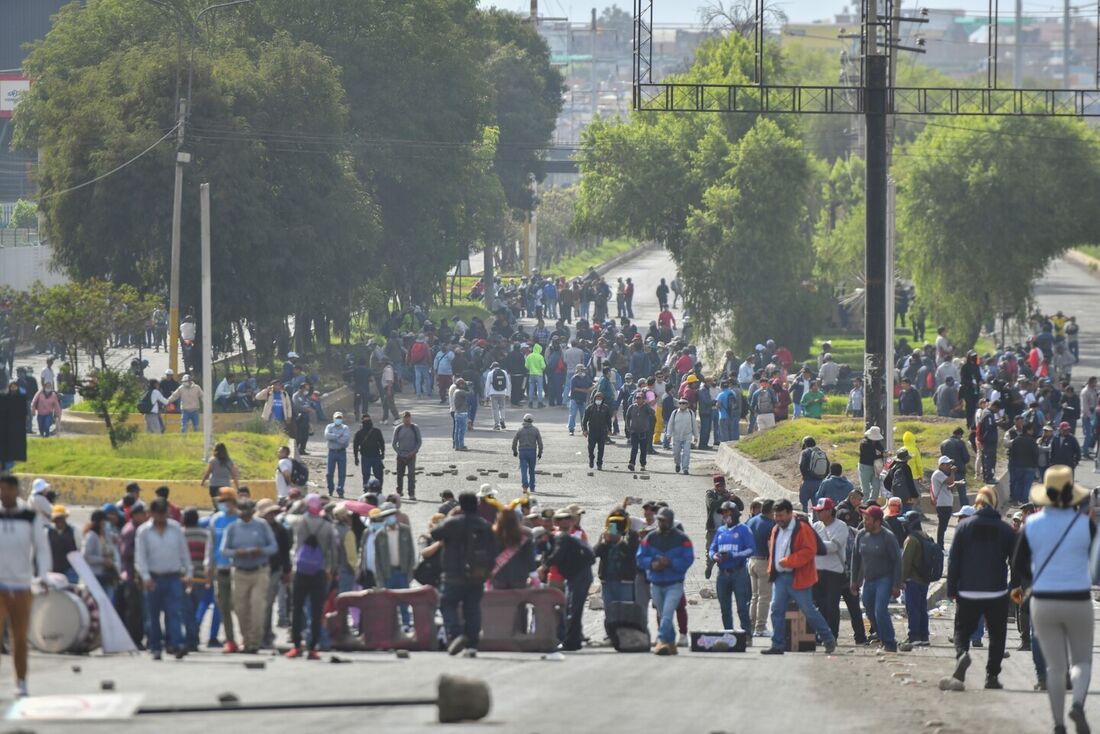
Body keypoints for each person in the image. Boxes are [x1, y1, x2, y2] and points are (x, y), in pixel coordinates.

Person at [1014, 466, 1093, 734]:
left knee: (1055, 667)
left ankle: (1058, 724)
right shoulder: (1086, 525)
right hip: (1079, 598)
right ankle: (1079, 704)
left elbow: (1019, 565)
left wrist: (1038, 577)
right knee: (1081, 661)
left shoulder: (1031, 525)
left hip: (1044, 599)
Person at [945, 487, 1016, 690]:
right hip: (996, 591)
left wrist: (952, 589)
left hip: (967, 590)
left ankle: (962, 655)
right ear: (994, 503)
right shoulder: (1005, 529)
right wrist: (1015, 588)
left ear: (977, 503)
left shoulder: (964, 526)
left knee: (962, 630)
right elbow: (1015, 561)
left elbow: (954, 561)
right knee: (996, 635)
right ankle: (991, 677)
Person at [761, 499, 836, 655]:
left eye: (781, 515)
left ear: (789, 513)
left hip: (798, 576)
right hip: (781, 578)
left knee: (808, 610)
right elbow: (774, 552)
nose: (778, 519)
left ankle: (828, 639)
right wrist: (772, 570)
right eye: (776, 516)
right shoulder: (777, 529)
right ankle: (777, 645)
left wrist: (789, 562)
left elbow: (809, 551)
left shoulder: (802, 529)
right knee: (776, 610)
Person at [0, 476, 52, 697]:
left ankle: (21, 681)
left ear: (17, 491)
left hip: (21, 584)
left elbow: (41, 548)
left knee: (19, 637)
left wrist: (43, 576)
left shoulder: (29, 517)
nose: (5, 493)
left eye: (9, 489)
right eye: (1, 489)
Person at [430, 492, 496, 657]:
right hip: (477, 575)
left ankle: (456, 634)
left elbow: (435, 534)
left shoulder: (453, 523)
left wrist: (451, 516)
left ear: (460, 505)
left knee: (447, 604)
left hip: (454, 574)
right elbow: (495, 549)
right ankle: (472, 644)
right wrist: (487, 571)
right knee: (472, 609)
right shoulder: (485, 525)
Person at [135, 498, 191, 660]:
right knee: (153, 615)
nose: (161, 517)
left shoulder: (175, 529)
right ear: (151, 514)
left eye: (163, 513)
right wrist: (145, 577)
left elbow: (184, 552)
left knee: (174, 612)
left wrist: (188, 572)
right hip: (153, 577)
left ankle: (175, 644)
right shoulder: (144, 532)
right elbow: (141, 557)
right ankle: (155, 646)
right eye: (158, 514)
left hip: (173, 576)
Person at [220, 499, 276, 654]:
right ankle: (246, 639)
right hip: (239, 572)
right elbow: (224, 550)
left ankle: (255, 642)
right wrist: (237, 552)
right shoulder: (232, 528)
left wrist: (261, 551)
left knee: (257, 607)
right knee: (241, 609)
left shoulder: (262, 526)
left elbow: (273, 547)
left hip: (259, 571)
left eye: (248, 514)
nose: (245, 517)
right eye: (242, 514)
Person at [636, 507, 694, 655]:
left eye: (664, 520)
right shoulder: (650, 538)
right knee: (662, 614)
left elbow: (688, 558)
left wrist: (671, 563)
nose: (661, 523)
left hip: (674, 583)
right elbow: (640, 557)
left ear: (670, 521)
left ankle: (661, 640)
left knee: (667, 614)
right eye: (659, 520)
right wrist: (652, 564)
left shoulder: (682, 539)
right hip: (655, 583)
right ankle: (670, 643)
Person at [287, 494, 336, 660]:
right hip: (319, 572)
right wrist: (330, 569)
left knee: (297, 609)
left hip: (300, 570)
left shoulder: (298, 522)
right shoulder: (328, 526)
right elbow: (333, 551)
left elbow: (293, 541)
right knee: (316, 612)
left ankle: (296, 646)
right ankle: (312, 648)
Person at [850, 504, 902, 652]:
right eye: (864, 518)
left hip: (884, 579)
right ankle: (882, 636)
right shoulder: (861, 535)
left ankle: (890, 642)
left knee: (880, 610)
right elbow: (856, 558)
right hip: (869, 580)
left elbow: (897, 561)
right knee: (869, 609)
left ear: (877, 522)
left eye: (867, 519)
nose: (864, 522)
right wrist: (854, 581)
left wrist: (897, 584)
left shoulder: (888, 537)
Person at [541, 509, 595, 651]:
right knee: (571, 609)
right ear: (556, 522)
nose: (565, 521)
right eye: (562, 519)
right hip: (577, 576)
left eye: (567, 518)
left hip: (579, 576)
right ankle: (572, 641)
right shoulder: (562, 536)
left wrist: (544, 566)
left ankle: (571, 642)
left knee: (573, 609)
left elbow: (557, 555)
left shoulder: (562, 537)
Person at [204, 488, 240, 652]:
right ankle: (230, 640)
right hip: (220, 569)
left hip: (238, 570)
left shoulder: (240, 520)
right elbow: (210, 545)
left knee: (239, 606)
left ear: (233, 502)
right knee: (223, 606)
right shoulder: (216, 520)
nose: (223, 504)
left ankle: (246, 637)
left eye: (225, 501)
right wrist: (208, 566)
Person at [710, 501, 754, 633]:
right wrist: (714, 556)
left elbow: (751, 549)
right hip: (722, 574)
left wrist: (733, 555)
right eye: (723, 513)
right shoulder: (720, 531)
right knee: (725, 608)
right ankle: (728, 634)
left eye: (727, 512)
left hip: (739, 572)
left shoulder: (744, 530)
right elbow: (712, 549)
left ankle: (746, 634)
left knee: (742, 606)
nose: (724, 516)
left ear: (735, 514)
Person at [811, 498, 848, 642]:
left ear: (829, 511)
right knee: (819, 605)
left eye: (820, 511)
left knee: (832, 606)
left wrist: (815, 545)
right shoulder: (816, 526)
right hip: (817, 570)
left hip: (834, 571)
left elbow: (834, 546)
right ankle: (820, 634)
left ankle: (832, 635)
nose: (818, 514)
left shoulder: (841, 526)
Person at [255, 499, 290, 649]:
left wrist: (286, 571)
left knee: (268, 604)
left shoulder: (281, 530)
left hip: (274, 571)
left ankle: (266, 635)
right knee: (256, 605)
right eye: (268, 513)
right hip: (255, 570)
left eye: (272, 513)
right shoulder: (255, 529)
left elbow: (285, 553)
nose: (271, 516)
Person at [594, 509, 639, 612]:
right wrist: (601, 542)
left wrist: (627, 528)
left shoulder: (630, 543)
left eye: (616, 526)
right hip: (607, 583)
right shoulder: (605, 546)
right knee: (610, 614)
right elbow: (592, 555)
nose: (612, 529)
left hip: (625, 583)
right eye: (612, 525)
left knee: (625, 613)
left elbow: (633, 550)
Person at [899, 511, 933, 649]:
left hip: (912, 579)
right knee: (922, 608)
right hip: (924, 579)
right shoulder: (927, 537)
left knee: (912, 609)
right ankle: (924, 636)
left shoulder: (911, 539)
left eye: (905, 522)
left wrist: (900, 580)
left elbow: (905, 562)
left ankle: (914, 636)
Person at [745, 499, 775, 638]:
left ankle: (751, 626)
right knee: (764, 597)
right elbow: (771, 547)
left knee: (754, 596)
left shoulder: (751, 521)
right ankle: (760, 627)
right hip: (763, 561)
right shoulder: (770, 525)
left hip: (751, 561)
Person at [929, 456, 959, 548]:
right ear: (941, 465)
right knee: (942, 526)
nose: (950, 466)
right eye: (947, 464)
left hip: (946, 503)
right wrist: (953, 472)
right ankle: (940, 545)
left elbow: (949, 486)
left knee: (944, 526)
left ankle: (940, 544)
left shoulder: (943, 474)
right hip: (942, 504)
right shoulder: (938, 474)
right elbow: (950, 481)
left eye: (950, 464)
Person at [663, 397, 698, 475]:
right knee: (676, 453)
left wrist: (696, 436)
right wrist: (668, 435)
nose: (682, 405)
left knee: (686, 453)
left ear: (687, 404)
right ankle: (678, 464)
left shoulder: (690, 413)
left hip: (687, 435)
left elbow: (694, 425)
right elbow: (670, 424)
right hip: (677, 436)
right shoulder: (675, 413)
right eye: (680, 403)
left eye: (684, 403)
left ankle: (685, 468)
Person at [200, 443, 240, 511]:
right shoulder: (229, 461)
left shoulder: (212, 460)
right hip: (226, 486)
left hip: (214, 485)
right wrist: (238, 487)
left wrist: (203, 482)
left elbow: (208, 473)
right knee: (225, 505)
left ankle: (216, 515)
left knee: (216, 505)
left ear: (215, 450)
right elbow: (234, 475)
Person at [391, 412, 422, 500]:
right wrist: (399, 453)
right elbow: (394, 443)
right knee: (399, 475)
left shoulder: (415, 428)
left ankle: (411, 493)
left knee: (411, 475)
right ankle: (399, 492)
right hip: (401, 456)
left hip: (411, 456)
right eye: (405, 418)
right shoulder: (398, 428)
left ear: (410, 418)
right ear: (402, 419)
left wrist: (413, 452)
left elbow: (419, 442)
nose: (407, 420)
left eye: (408, 418)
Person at [581, 391, 614, 470]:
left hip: (602, 432)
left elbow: (608, 420)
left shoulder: (605, 408)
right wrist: (585, 430)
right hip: (592, 432)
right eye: (597, 398)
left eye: (600, 398)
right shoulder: (590, 408)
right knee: (591, 447)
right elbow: (584, 420)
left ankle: (599, 463)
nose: (598, 400)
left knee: (601, 448)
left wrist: (609, 429)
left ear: (602, 399)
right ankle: (591, 459)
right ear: (594, 398)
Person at [47, 505, 80, 584]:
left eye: (61, 518)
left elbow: (79, 548)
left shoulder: (74, 531)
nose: (59, 521)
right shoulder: (48, 532)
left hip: (71, 570)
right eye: (56, 519)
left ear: (65, 518)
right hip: (54, 571)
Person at [511, 414, 544, 493]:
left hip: (522, 452)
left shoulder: (520, 430)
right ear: (532, 421)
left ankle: (525, 487)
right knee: (532, 470)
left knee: (524, 470)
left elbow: (514, 442)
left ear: (523, 420)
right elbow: (540, 443)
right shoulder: (535, 430)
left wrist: (514, 451)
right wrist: (540, 452)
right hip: (532, 451)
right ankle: (532, 487)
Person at [625, 391, 656, 472]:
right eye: (637, 398)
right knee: (634, 448)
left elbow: (653, 413)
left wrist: (647, 405)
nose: (638, 400)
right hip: (634, 431)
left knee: (643, 449)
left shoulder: (646, 407)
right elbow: (627, 417)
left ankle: (643, 464)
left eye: (640, 398)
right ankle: (631, 463)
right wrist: (628, 428)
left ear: (643, 399)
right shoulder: (632, 407)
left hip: (644, 432)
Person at [323, 411, 352, 498]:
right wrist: (338, 436)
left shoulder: (345, 428)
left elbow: (344, 440)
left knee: (342, 473)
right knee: (329, 473)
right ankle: (330, 489)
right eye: (337, 418)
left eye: (340, 418)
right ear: (334, 418)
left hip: (341, 452)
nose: (338, 420)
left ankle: (340, 491)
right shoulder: (329, 426)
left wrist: (334, 437)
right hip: (331, 452)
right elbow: (327, 435)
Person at [353, 416, 385, 491]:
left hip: (376, 456)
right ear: (362, 422)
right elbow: (355, 446)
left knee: (379, 475)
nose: (367, 422)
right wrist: (356, 458)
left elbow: (381, 443)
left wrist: (383, 453)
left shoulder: (377, 431)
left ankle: (379, 490)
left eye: (368, 420)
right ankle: (366, 491)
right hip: (365, 457)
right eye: (365, 420)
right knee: (365, 476)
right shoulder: (359, 433)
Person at [798, 436, 826, 514]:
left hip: (807, 481)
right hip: (819, 482)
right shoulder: (821, 452)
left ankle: (805, 519)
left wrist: (805, 476)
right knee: (816, 503)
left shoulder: (805, 452)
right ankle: (816, 522)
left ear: (805, 444)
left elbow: (802, 466)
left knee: (803, 504)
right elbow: (827, 466)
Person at [858, 426, 886, 500]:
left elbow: (881, 451)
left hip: (876, 468)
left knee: (876, 487)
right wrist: (881, 454)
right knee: (866, 489)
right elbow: (871, 455)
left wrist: (882, 454)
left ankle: (872, 502)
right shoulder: (864, 443)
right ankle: (865, 504)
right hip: (865, 467)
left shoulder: (877, 444)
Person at [484, 362, 511, 431]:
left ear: (492, 367)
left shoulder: (490, 373)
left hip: (493, 393)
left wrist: (486, 395)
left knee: (495, 409)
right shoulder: (504, 372)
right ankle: (502, 419)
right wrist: (508, 394)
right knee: (502, 407)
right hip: (502, 393)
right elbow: (508, 383)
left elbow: (487, 385)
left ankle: (497, 424)